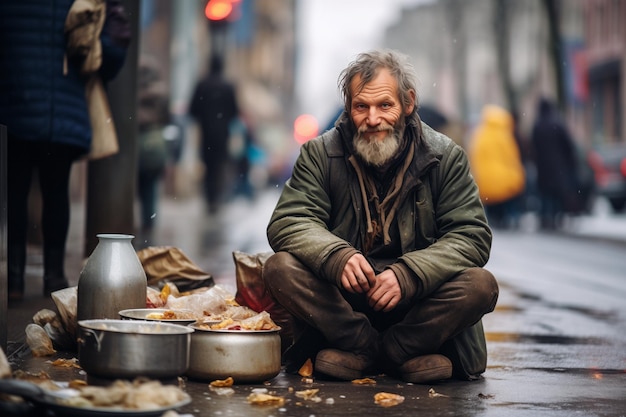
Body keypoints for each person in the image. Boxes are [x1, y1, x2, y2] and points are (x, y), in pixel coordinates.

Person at [263, 50, 499, 384]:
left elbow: (471, 236)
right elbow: (289, 220)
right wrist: (336, 256)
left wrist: (410, 274)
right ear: (349, 108)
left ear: (408, 103)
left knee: (480, 285)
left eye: (385, 105)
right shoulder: (319, 153)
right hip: (345, 302)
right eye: (362, 107)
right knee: (279, 268)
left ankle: (396, 350)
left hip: (419, 301)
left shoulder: (446, 157)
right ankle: (364, 346)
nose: (373, 119)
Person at [0, 0, 129, 301]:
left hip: (15, 102)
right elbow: (110, 53)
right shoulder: (82, 2)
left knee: (15, 193)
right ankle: (53, 277)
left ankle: (15, 277)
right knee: (56, 192)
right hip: (64, 110)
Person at [189, 54, 240, 214]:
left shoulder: (202, 85)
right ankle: (216, 199)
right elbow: (234, 112)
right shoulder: (228, 86)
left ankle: (209, 199)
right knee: (218, 167)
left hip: (206, 134)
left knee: (208, 167)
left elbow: (193, 110)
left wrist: (205, 118)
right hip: (222, 135)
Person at [467, 105, 526, 229]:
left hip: (486, 179)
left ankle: (495, 219)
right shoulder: (504, 136)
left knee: (492, 202)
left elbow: (474, 156)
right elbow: (512, 157)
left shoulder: (479, 135)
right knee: (506, 200)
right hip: (503, 178)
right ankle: (508, 218)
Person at [530, 97, 580, 230]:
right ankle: (557, 218)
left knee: (545, 194)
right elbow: (568, 145)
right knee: (557, 194)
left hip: (543, 167)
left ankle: (546, 218)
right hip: (558, 167)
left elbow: (533, 146)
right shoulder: (557, 123)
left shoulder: (537, 125)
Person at [136, 57, 170, 248]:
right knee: (150, 189)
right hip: (156, 143)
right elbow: (167, 118)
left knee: (135, 186)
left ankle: (132, 229)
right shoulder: (161, 93)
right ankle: (148, 228)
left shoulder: (133, 91)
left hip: (135, 144)